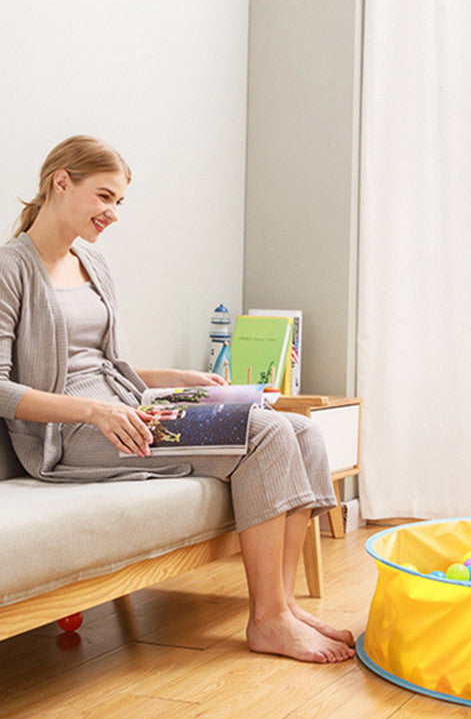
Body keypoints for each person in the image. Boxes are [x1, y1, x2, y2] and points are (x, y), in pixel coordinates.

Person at [0, 135, 355, 663]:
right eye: (104, 197)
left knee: (298, 427)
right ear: (61, 182)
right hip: (73, 432)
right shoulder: (11, 268)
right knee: (265, 435)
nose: (113, 213)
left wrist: (179, 377)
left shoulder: (91, 265)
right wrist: (94, 411)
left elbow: (106, 367)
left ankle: (283, 605)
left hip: (124, 411)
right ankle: (268, 620)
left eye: (119, 201)